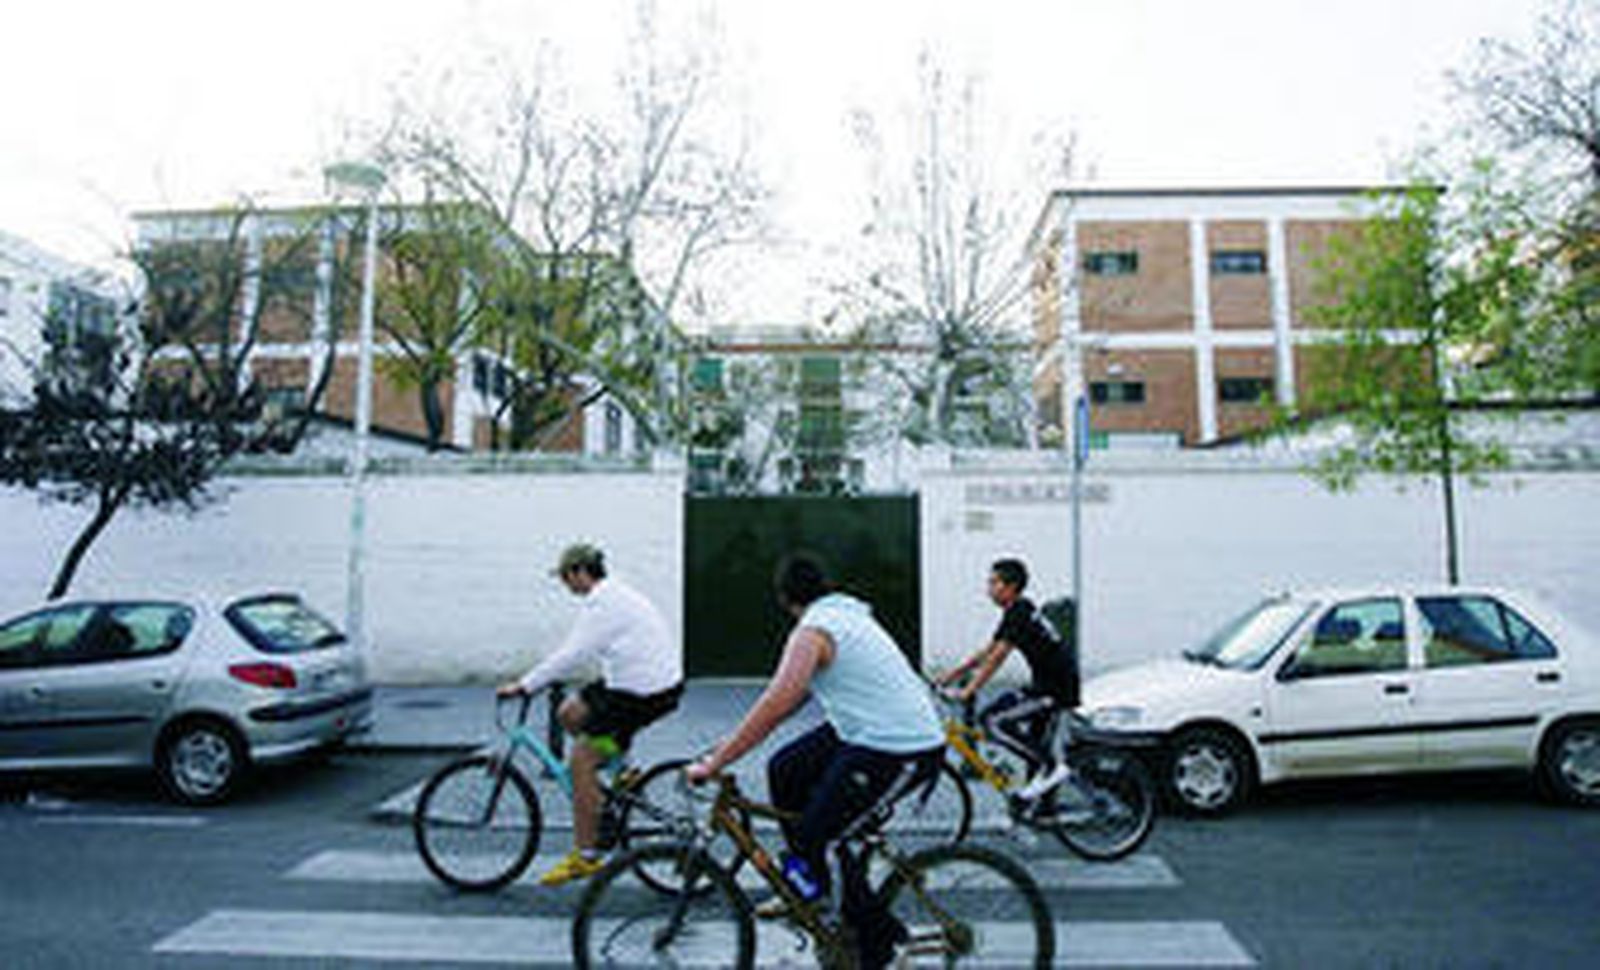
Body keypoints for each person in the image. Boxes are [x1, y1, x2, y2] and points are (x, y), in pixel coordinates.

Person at [686, 552, 944, 970]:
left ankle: (879, 946)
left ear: (784, 599)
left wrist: (718, 762)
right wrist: (727, 745)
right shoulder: (846, 614)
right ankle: (811, 888)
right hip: (868, 731)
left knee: (826, 835)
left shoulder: (814, 631)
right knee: (785, 768)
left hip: (902, 746)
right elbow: (794, 693)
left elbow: (775, 703)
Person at [498, 542, 683, 886]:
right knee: (569, 712)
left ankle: (587, 855)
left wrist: (525, 685)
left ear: (581, 572)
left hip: (644, 692)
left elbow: (572, 653)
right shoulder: (610, 593)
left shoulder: (605, 604)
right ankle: (621, 770)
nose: (565, 585)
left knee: (579, 762)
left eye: (566, 577)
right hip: (629, 681)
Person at [936, 557, 1079, 799]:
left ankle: (1052, 767)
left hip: (1054, 690)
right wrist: (951, 675)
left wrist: (969, 690)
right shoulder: (1019, 609)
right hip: (1047, 685)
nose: (989, 590)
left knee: (993, 721)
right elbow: (989, 650)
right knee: (1034, 741)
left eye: (994, 583)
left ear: (1011, 587)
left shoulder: (1018, 613)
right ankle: (1041, 808)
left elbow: (998, 657)